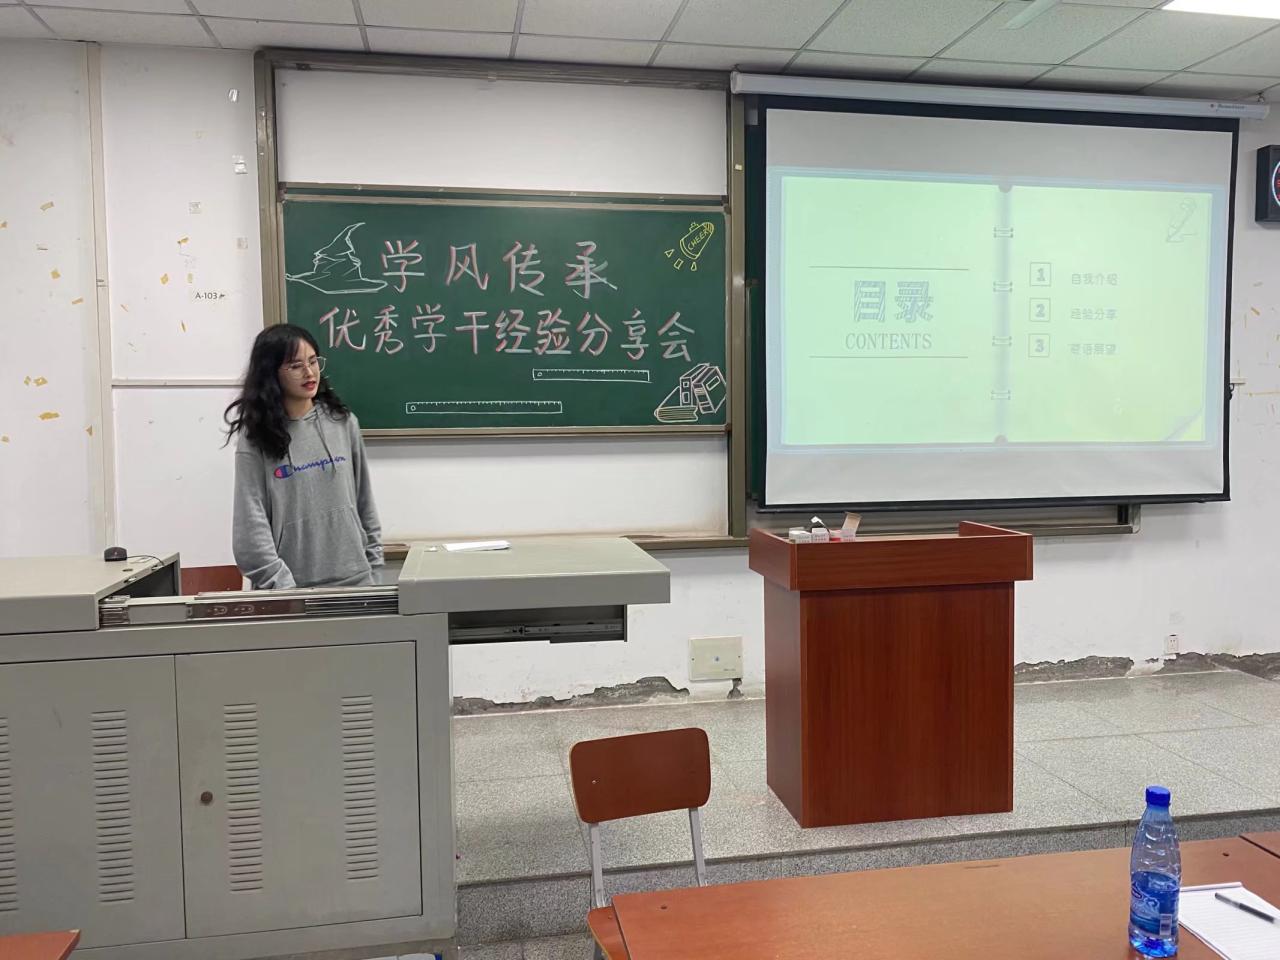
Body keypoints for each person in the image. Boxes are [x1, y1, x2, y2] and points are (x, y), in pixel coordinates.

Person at [225, 324, 382, 590]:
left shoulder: (343, 423)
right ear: (271, 373)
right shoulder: (255, 439)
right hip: (290, 592)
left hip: (357, 583)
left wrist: (374, 571)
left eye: (313, 361)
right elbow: (250, 528)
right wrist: (285, 589)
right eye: (296, 366)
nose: (309, 373)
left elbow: (365, 503)